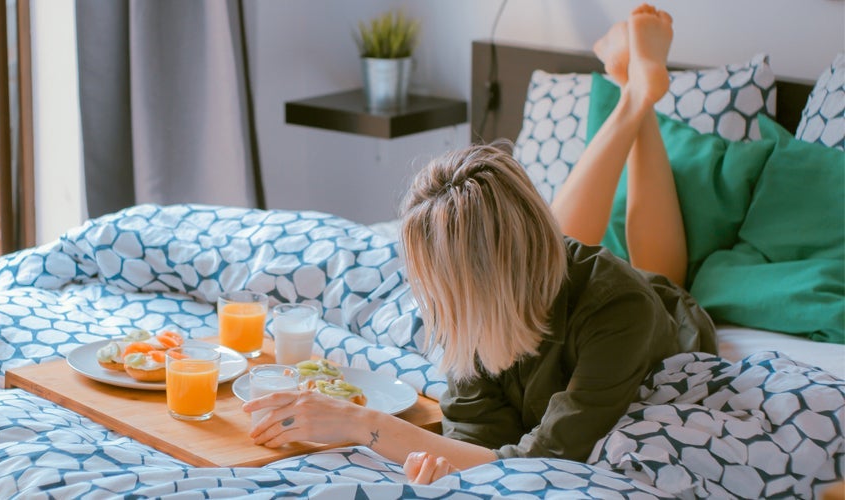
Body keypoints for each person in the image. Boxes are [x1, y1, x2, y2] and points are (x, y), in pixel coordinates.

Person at [241, 4, 717, 485]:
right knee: (559, 240)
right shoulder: (468, 310)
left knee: (660, 272)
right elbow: (478, 439)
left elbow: (546, 460)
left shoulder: (620, 311)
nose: (430, 301)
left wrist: (365, 425)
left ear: (480, 280)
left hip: (654, 309)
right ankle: (634, 91)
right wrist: (451, 463)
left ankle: (639, 97)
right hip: (535, 276)